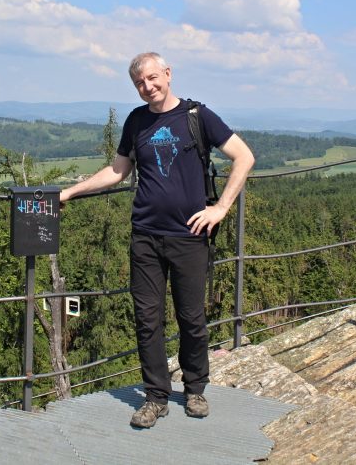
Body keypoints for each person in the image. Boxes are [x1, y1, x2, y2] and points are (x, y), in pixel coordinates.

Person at [60, 52, 255, 428]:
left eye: (153, 78)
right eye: (139, 83)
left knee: (191, 316)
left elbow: (243, 157)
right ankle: (155, 396)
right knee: (147, 319)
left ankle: (195, 388)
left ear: (167, 74)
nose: (148, 87)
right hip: (146, 236)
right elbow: (117, 171)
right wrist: (70, 192)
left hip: (190, 235)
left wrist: (220, 209)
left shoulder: (197, 117)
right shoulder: (136, 121)